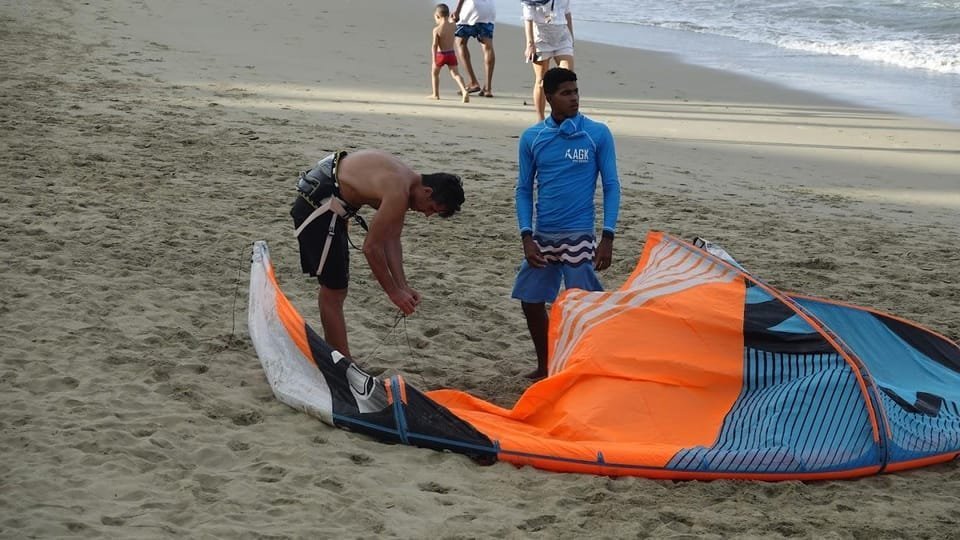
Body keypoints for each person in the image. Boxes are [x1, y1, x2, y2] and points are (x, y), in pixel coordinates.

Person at [291, 149, 465, 358]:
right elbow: (371, 248)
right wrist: (393, 292)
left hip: (331, 206)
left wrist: (403, 287)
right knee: (333, 291)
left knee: (336, 289)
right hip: (316, 207)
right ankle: (341, 362)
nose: (427, 214)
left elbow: (392, 240)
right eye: (432, 208)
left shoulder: (405, 182)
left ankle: (339, 358)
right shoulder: (398, 192)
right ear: (427, 191)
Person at [512, 68, 620, 380]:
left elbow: (611, 185)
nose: (573, 98)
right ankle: (546, 365)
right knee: (530, 302)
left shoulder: (596, 133)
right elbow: (523, 189)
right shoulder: (533, 138)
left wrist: (607, 236)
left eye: (575, 91)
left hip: (580, 235)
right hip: (543, 235)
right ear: (548, 98)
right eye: (565, 93)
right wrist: (526, 235)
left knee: (584, 307)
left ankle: (591, 365)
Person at [521, 0, 575, 120]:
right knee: (541, 80)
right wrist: (530, 44)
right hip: (541, 38)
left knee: (567, 77)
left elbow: (567, 13)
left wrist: (571, 37)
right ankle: (540, 119)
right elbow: (528, 18)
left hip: (562, 37)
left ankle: (563, 116)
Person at [451, 0, 496, 98]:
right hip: (488, 10)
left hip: (470, 8)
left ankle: (473, 82)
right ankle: (488, 88)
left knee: (460, 43)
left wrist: (457, 11)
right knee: (488, 47)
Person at [428, 3, 471, 103]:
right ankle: (464, 91)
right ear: (448, 15)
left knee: (434, 73)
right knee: (456, 74)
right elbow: (453, 22)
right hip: (451, 54)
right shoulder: (453, 26)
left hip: (441, 54)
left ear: (437, 16)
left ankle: (435, 94)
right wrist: (452, 19)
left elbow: (434, 45)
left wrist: (434, 59)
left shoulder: (436, 30)